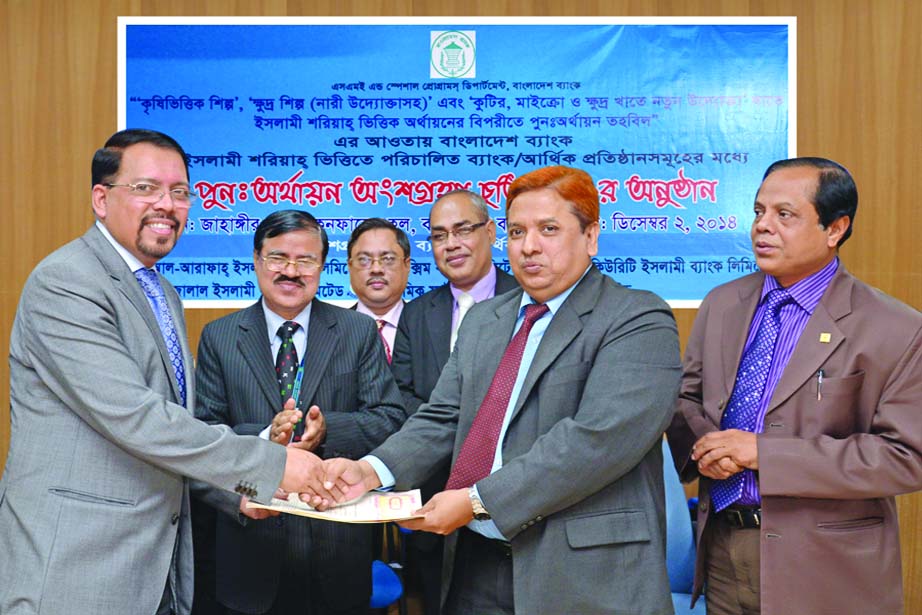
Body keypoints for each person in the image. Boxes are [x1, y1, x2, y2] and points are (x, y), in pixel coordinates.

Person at [0, 129, 338, 615]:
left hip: (154, 566)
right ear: (101, 198)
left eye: (180, 192)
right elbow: (136, 419)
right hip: (77, 567)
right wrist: (271, 466)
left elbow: (179, 429)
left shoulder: (161, 293)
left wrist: (238, 494)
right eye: (145, 188)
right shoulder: (67, 282)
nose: (167, 204)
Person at [324, 166, 682, 615]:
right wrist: (373, 471)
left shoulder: (636, 318)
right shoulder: (484, 321)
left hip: (582, 576)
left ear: (591, 236)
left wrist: (477, 502)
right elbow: (442, 418)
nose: (529, 246)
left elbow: (596, 440)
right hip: (475, 568)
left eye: (548, 229)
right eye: (517, 231)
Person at [667, 157, 922, 615]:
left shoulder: (895, 328)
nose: (763, 227)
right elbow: (686, 401)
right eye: (758, 212)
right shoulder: (723, 303)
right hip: (723, 551)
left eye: (784, 215)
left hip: (827, 568)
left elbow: (905, 458)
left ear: (835, 228)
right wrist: (707, 445)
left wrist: (765, 453)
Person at [192, 209, 407, 615]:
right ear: (257, 261)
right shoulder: (220, 337)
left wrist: (326, 431)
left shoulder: (357, 332)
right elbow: (202, 434)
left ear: (323, 266)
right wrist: (263, 441)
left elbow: (390, 419)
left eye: (305, 260)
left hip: (337, 549)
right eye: (278, 258)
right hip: (250, 553)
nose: (291, 271)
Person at [389, 189, 517, 614]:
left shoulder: (529, 301)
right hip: (433, 492)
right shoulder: (418, 312)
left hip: (513, 501)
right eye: (440, 235)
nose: (451, 244)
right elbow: (404, 397)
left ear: (491, 232)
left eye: (463, 230)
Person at [346, 217, 411, 363]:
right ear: (350, 266)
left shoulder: (426, 327)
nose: (376, 269)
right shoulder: (331, 333)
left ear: (407, 265)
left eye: (388, 259)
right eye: (364, 259)